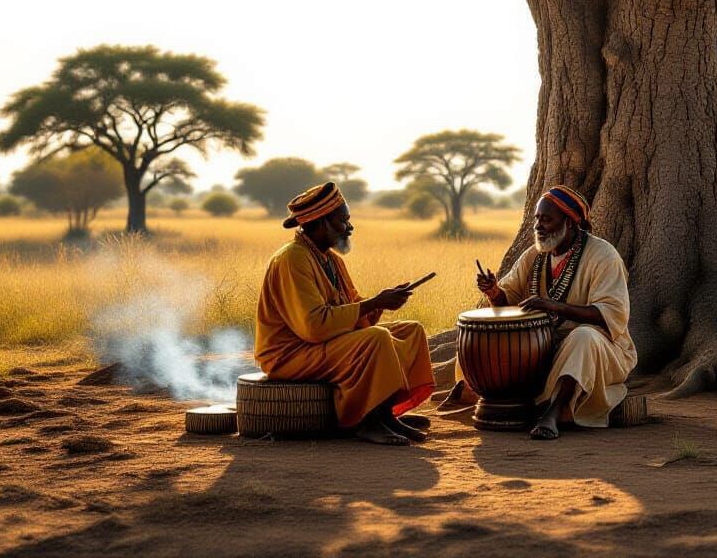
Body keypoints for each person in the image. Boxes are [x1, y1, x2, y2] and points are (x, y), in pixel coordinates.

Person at [255, 182, 434, 446]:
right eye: (343, 221)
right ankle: (365, 421)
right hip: (290, 354)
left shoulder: (331, 259)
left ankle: (385, 415)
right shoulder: (292, 259)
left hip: (322, 344)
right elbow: (313, 327)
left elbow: (353, 307)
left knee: (411, 331)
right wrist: (374, 303)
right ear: (321, 222)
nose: (349, 228)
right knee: (377, 338)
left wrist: (383, 301)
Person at [476, 185, 637, 440]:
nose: (538, 226)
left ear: (570, 223)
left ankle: (555, 411)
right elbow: (509, 301)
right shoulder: (535, 256)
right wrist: (494, 292)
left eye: (547, 219)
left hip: (602, 350)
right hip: (546, 348)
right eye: (537, 219)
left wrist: (555, 306)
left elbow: (612, 315)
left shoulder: (604, 256)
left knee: (583, 336)